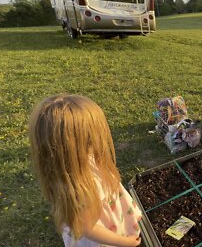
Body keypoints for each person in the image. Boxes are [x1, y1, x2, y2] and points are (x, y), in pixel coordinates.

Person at [28, 94, 142, 247]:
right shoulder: (84, 185)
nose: (98, 139)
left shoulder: (68, 165)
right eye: (93, 135)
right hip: (103, 239)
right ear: (78, 142)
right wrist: (124, 242)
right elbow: (87, 228)